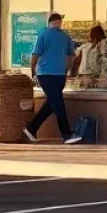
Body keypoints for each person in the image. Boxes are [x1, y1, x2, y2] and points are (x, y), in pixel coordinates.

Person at [24, 12, 81, 144]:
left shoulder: (43, 35)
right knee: (58, 103)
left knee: (52, 104)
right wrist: (68, 70)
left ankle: (31, 128)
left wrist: (33, 72)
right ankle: (67, 134)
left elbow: (35, 55)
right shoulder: (66, 37)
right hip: (60, 75)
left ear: (49, 23)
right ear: (59, 22)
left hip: (45, 75)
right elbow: (71, 56)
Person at [72, 23, 106, 88]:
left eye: (92, 35)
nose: (90, 37)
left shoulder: (100, 45)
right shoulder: (88, 46)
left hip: (92, 73)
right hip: (91, 73)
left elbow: (78, 58)